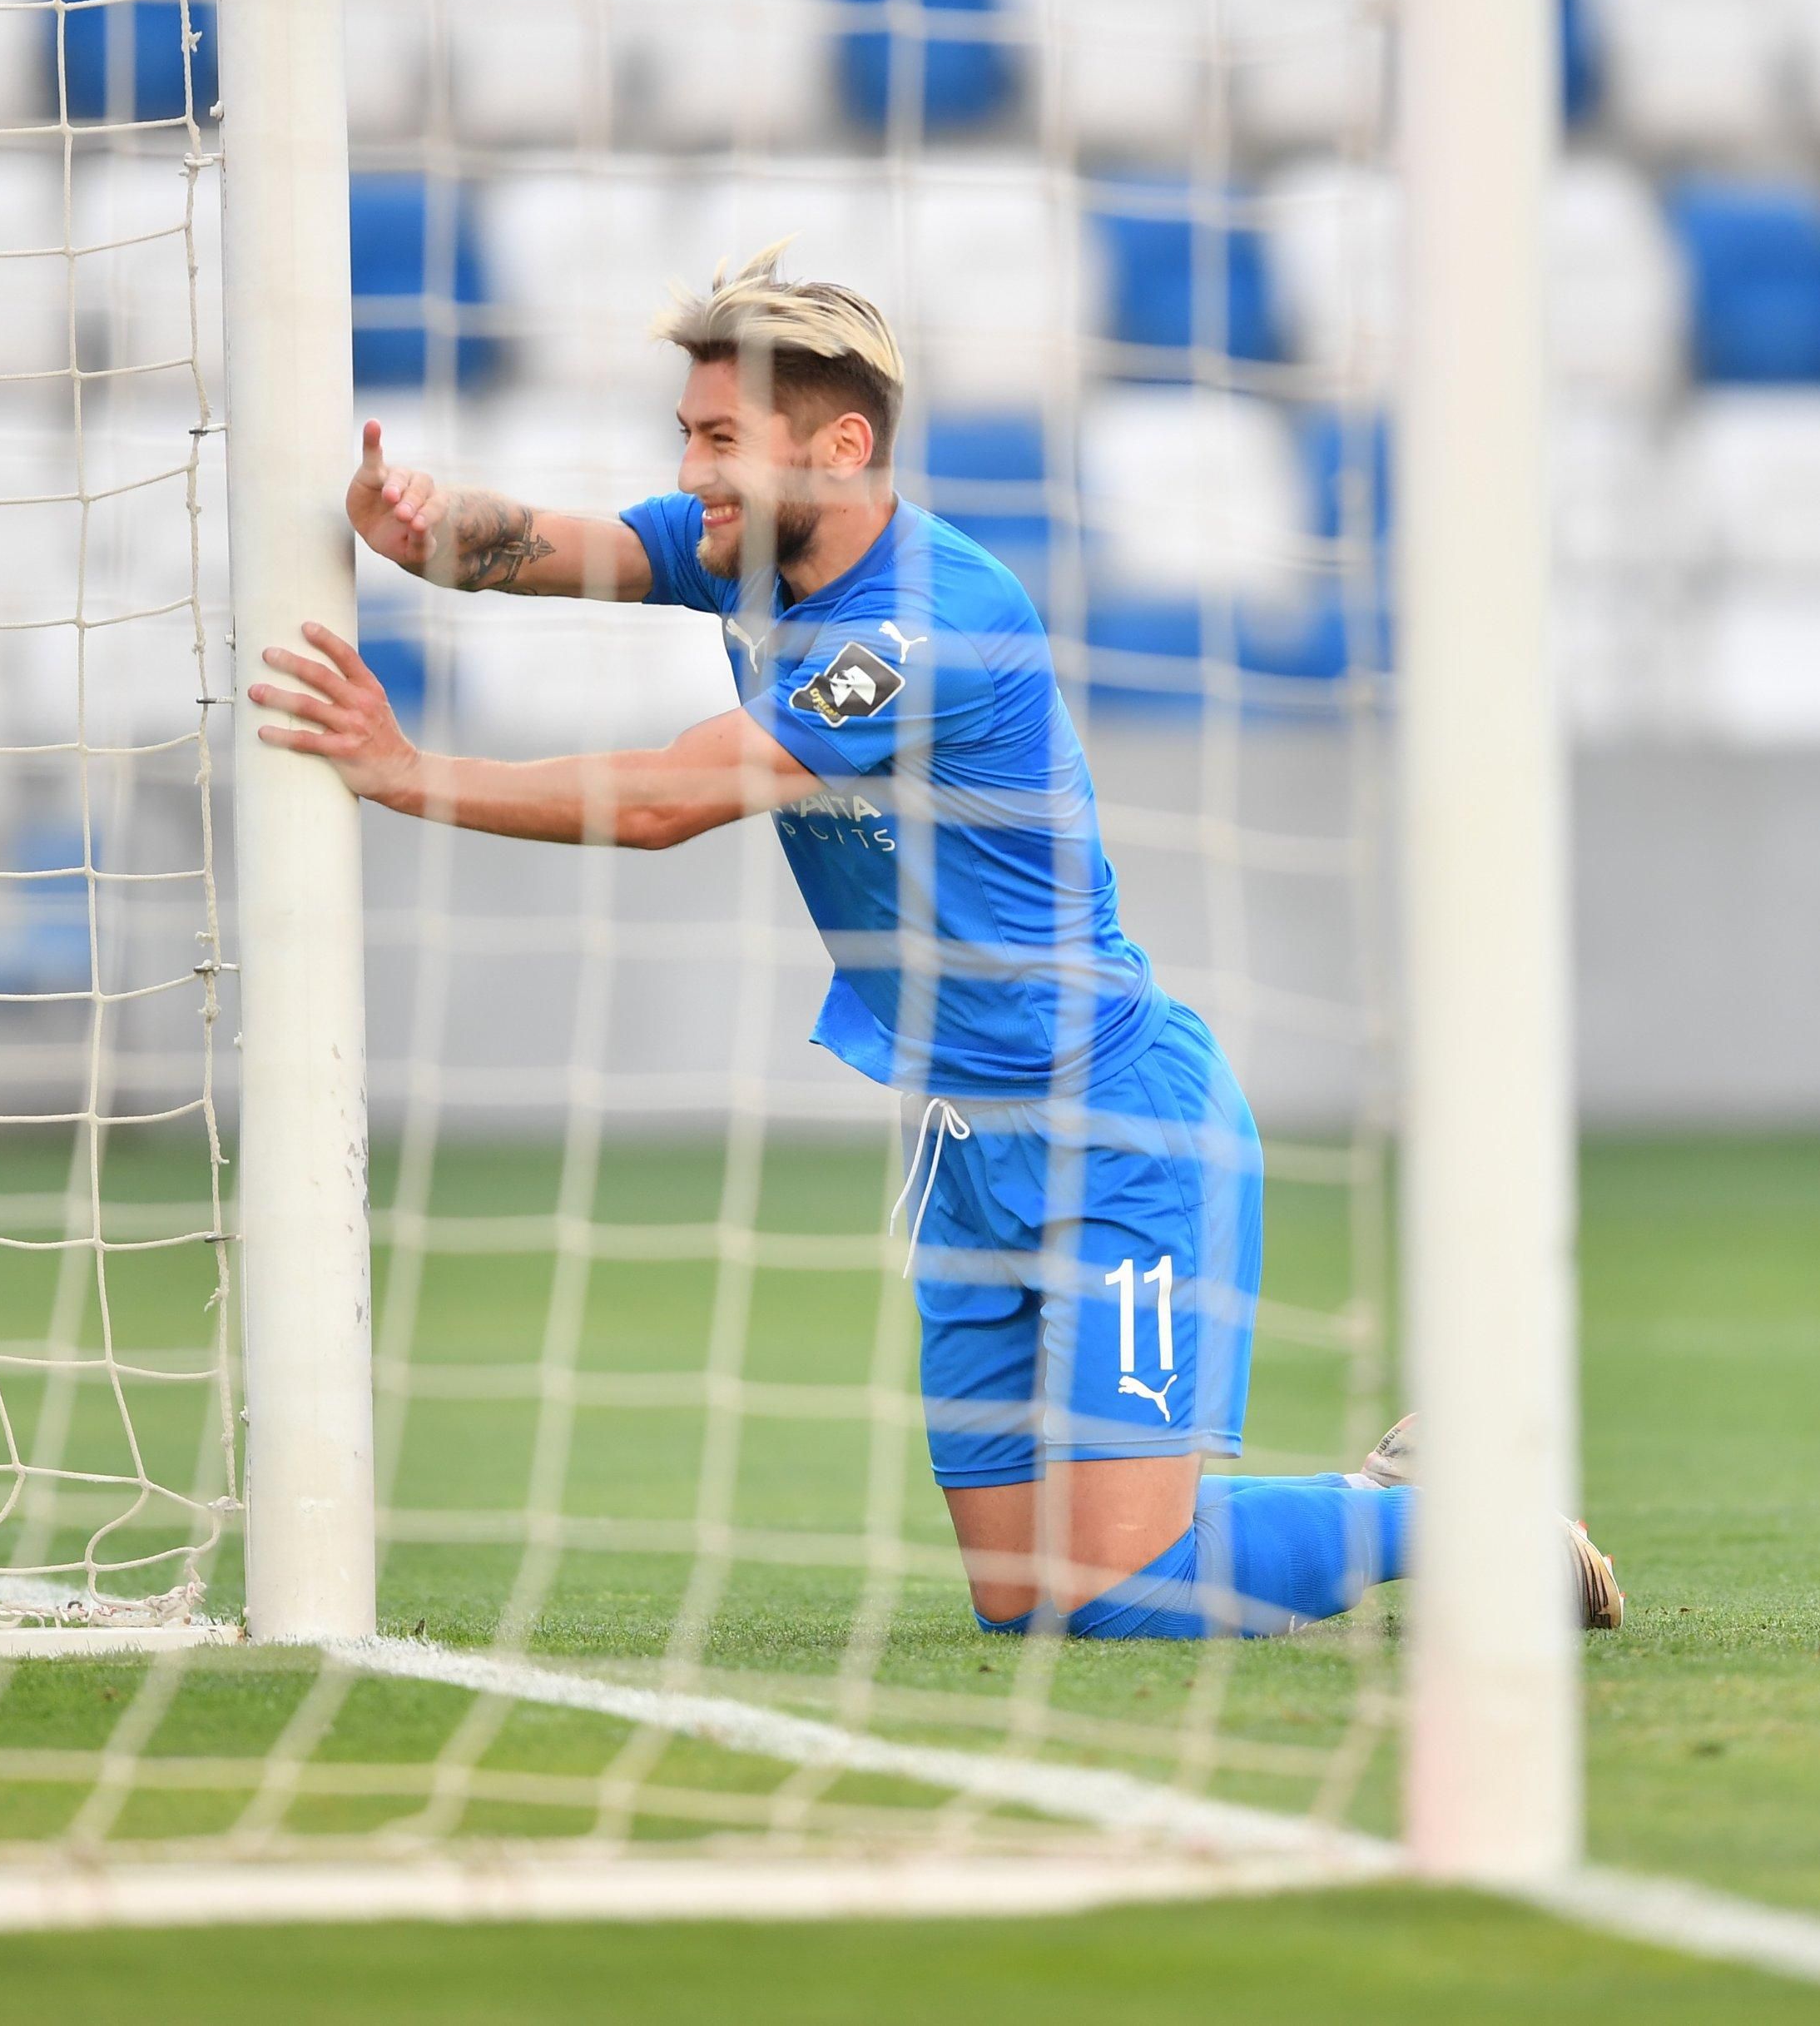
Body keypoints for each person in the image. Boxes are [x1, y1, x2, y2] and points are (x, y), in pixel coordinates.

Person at [248, 246, 1625, 1638]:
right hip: (962, 1141)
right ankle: (1392, 1484)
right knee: (1024, 1602)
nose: (692, 470)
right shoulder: (739, 550)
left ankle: (1456, 1520)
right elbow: (540, 546)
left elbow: (672, 800)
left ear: (837, 448)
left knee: (1112, 1597)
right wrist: (408, 524)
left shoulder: (919, 626)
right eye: (686, 435)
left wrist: (403, 772)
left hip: (1117, 1128)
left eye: (719, 438)